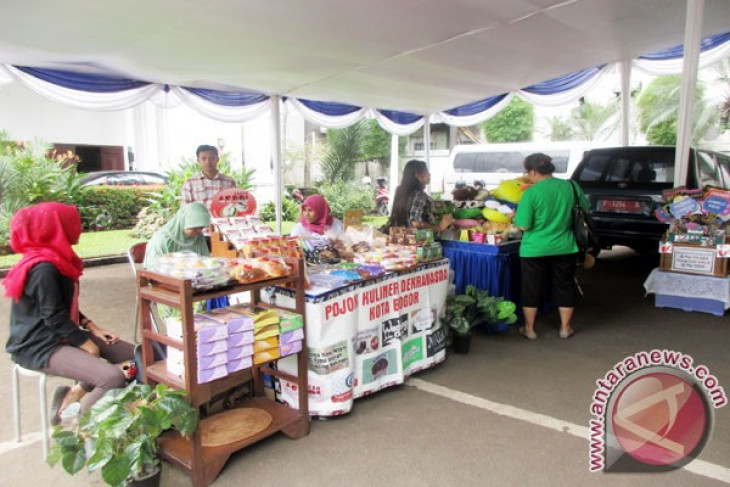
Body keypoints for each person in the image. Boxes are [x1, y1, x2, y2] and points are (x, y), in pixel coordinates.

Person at [3, 203, 135, 423]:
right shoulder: (43, 268)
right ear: (55, 228)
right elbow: (52, 314)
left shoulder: (57, 260)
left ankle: (73, 394)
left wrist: (92, 326)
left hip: (62, 332)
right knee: (111, 376)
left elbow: (60, 304)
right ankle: (84, 431)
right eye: (73, 223)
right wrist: (86, 344)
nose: (79, 228)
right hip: (40, 345)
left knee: (138, 356)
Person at [513, 153, 589, 340]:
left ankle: (530, 329)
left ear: (533, 171)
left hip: (534, 248)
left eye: (527, 172)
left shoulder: (531, 193)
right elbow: (585, 208)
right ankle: (565, 328)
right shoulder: (571, 186)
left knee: (531, 288)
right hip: (565, 246)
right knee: (564, 286)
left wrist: (514, 216)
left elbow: (524, 225)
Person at [389, 159, 454, 231]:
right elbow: (416, 223)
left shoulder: (399, 190)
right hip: (416, 239)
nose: (429, 174)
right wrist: (439, 228)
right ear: (417, 175)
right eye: (426, 172)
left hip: (397, 237)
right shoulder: (420, 195)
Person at [144, 202, 211, 268]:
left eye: (201, 228)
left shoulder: (198, 236)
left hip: (195, 275)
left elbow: (205, 260)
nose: (199, 231)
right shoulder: (162, 240)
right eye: (195, 228)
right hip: (165, 276)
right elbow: (155, 269)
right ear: (183, 223)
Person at [181, 145, 236, 210]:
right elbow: (185, 209)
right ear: (198, 161)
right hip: (199, 220)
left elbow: (234, 205)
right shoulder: (190, 183)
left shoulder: (229, 182)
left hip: (221, 219)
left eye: (212, 158)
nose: (208, 161)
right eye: (204, 158)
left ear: (217, 160)